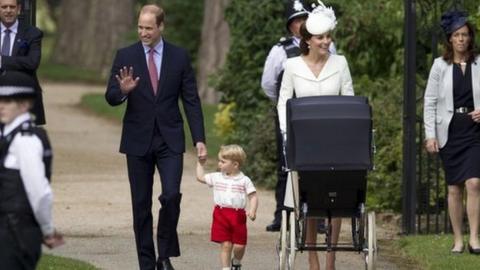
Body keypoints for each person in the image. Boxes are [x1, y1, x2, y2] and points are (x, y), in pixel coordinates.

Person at [105, 4, 207, 270]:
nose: (143, 32)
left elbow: (191, 101)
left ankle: (164, 253)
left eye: (149, 28)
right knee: (141, 205)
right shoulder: (125, 55)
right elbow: (111, 97)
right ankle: (147, 264)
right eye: (140, 27)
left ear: (161, 27)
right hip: (137, 140)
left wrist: (199, 139)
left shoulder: (179, 57)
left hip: (170, 138)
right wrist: (123, 91)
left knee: (171, 195)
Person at [277, 1, 354, 269]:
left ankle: (331, 259)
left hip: (336, 140)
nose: (326, 41)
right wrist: (287, 132)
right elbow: (283, 100)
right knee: (309, 202)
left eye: (328, 36)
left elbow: (349, 99)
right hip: (305, 141)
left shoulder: (340, 63)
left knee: (337, 200)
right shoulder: (292, 65)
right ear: (307, 40)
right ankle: (312, 257)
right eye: (320, 37)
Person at [261, 0, 335, 232]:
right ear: (290, 25)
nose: (302, 24)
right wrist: (284, 106)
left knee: (320, 165)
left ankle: (319, 215)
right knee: (286, 164)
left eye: (306, 19)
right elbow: (268, 84)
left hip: (320, 113)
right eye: (297, 20)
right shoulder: (280, 50)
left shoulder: (327, 46)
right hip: (290, 114)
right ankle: (283, 215)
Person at [423, 10, 480, 255]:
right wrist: (430, 135)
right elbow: (430, 101)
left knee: (475, 182)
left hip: (474, 129)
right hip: (450, 129)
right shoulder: (439, 65)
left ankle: (475, 238)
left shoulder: (479, 62)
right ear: (450, 39)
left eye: (465, 35)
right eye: (457, 35)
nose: (461, 39)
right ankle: (458, 239)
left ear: (470, 38)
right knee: (454, 187)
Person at [0, 71, 63, 269]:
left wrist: (47, 229)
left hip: (15, 233)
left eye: (9, 100)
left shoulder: (26, 140)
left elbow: (39, 192)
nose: (1, 105)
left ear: (26, 104)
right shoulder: (8, 136)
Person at [196, 144, 258, 270]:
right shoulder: (217, 177)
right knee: (226, 245)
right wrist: (200, 164)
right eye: (219, 160)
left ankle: (236, 261)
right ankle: (225, 268)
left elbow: (253, 196)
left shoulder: (244, 180)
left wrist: (252, 210)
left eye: (223, 162)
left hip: (238, 216)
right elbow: (200, 177)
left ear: (235, 165)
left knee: (240, 246)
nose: (219, 164)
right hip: (220, 214)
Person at [0, 0, 46, 125]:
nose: (8, 10)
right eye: (4, 7)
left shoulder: (32, 33)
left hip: (22, 98)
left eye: (12, 7)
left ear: (18, 9)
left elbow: (32, 63)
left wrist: (1, 60)